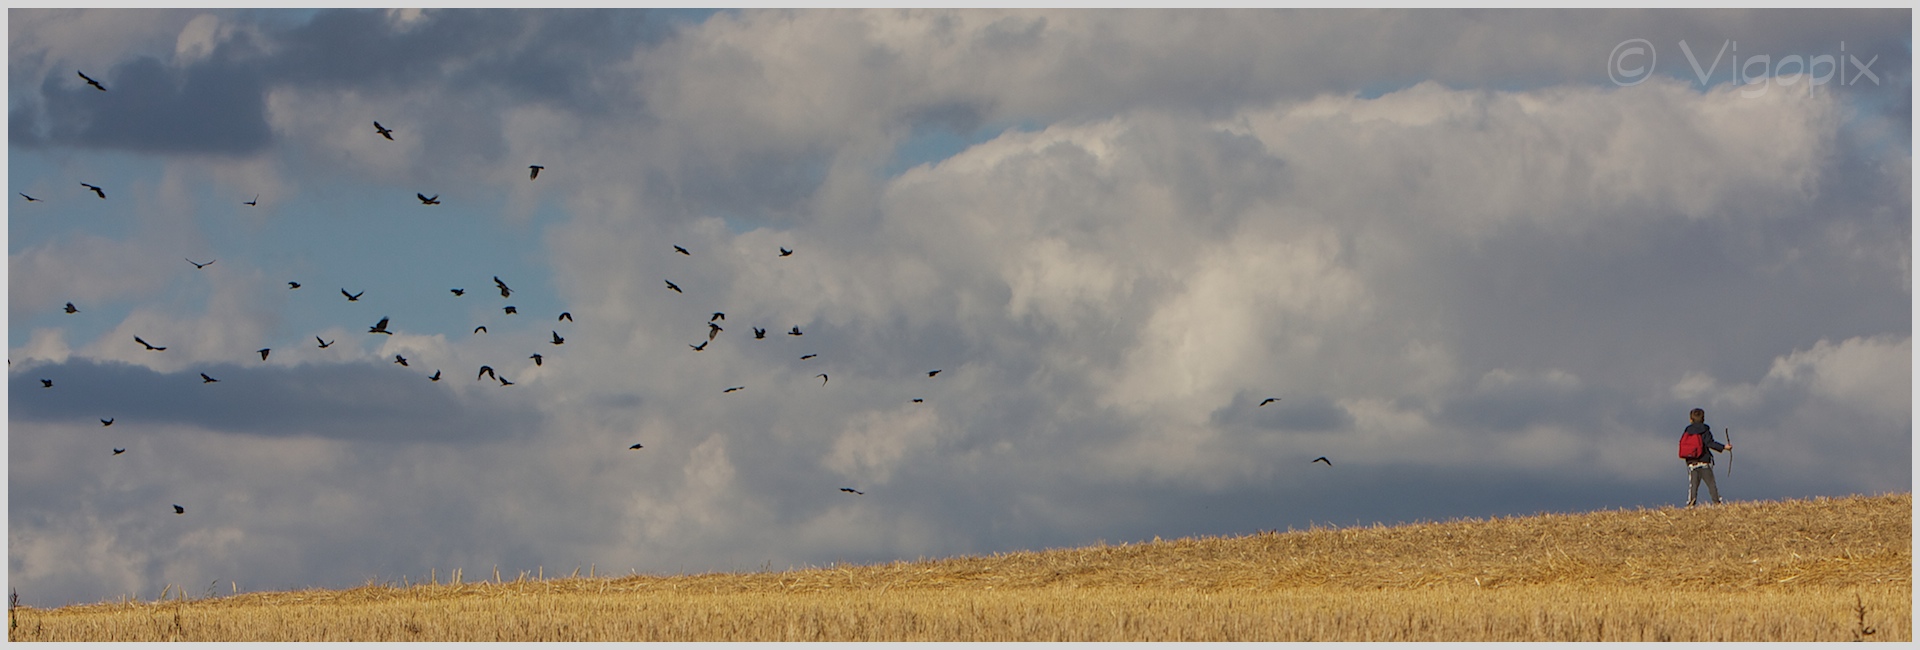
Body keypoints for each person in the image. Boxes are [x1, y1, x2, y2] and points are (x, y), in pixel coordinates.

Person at [1682, 408, 1730, 506]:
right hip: (1704, 462)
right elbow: (1710, 443)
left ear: (1691, 419)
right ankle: (1717, 502)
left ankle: (1690, 504)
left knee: (1693, 486)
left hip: (1692, 462)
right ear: (1703, 419)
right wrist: (1724, 447)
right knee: (1711, 484)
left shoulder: (1687, 431)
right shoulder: (1705, 430)